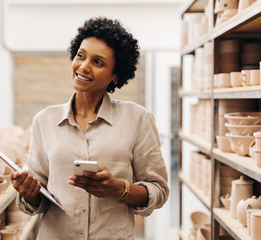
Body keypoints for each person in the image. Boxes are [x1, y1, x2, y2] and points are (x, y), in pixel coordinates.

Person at [11, 17, 169, 240]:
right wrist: (30, 193)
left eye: (98, 62)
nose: (83, 67)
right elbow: (38, 200)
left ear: (115, 74)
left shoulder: (138, 119)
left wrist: (118, 189)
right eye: (80, 56)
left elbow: (158, 191)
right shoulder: (44, 120)